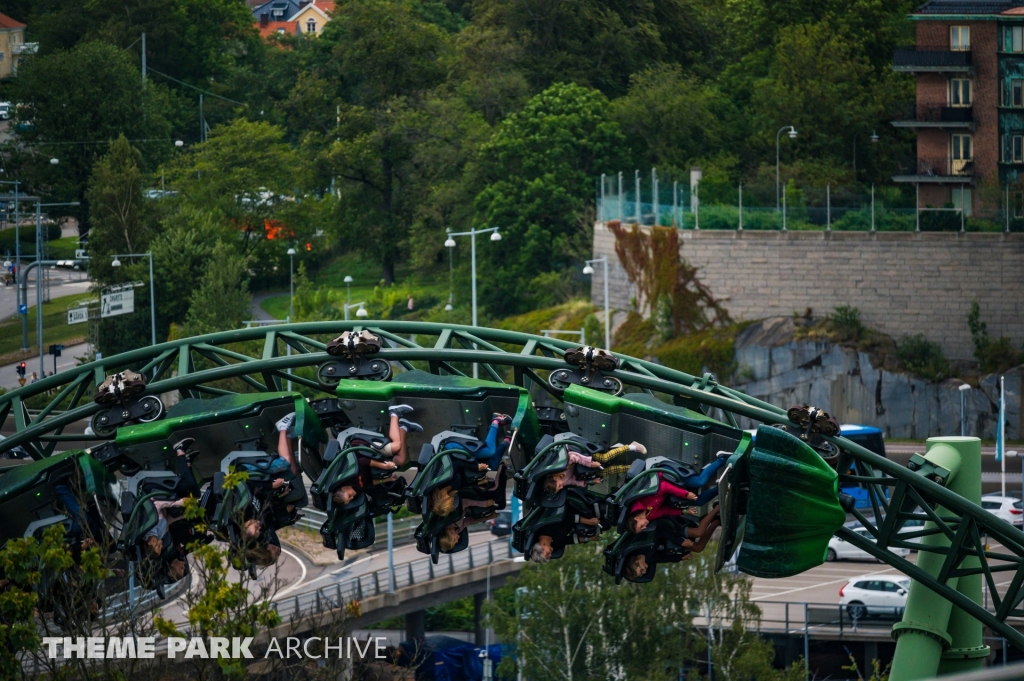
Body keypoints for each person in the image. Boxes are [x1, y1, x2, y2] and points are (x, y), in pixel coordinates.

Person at [624, 455, 729, 533]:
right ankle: (723, 487)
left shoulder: (639, 501)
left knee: (699, 482)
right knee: (699, 501)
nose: (644, 527)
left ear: (636, 519)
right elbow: (665, 511)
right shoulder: (649, 516)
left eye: (640, 527)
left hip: (664, 474)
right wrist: (684, 511)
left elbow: (663, 486)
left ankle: (723, 459)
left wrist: (685, 494)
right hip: (668, 491)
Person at [444, 413, 511, 470]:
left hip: (452, 449)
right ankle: (507, 440)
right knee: (492, 466)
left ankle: (496, 421)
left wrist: (476, 467)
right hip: (460, 457)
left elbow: (456, 464)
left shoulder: (441, 481)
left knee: (490, 451)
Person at [528, 515, 602, 564]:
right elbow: (571, 540)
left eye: (547, 554)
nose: (551, 554)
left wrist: (589, 521)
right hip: (577, 521)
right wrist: (590, 538)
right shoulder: (555, 544)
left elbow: (567, 516)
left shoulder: (544, 528)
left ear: (541, 546)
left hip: (572, 509)